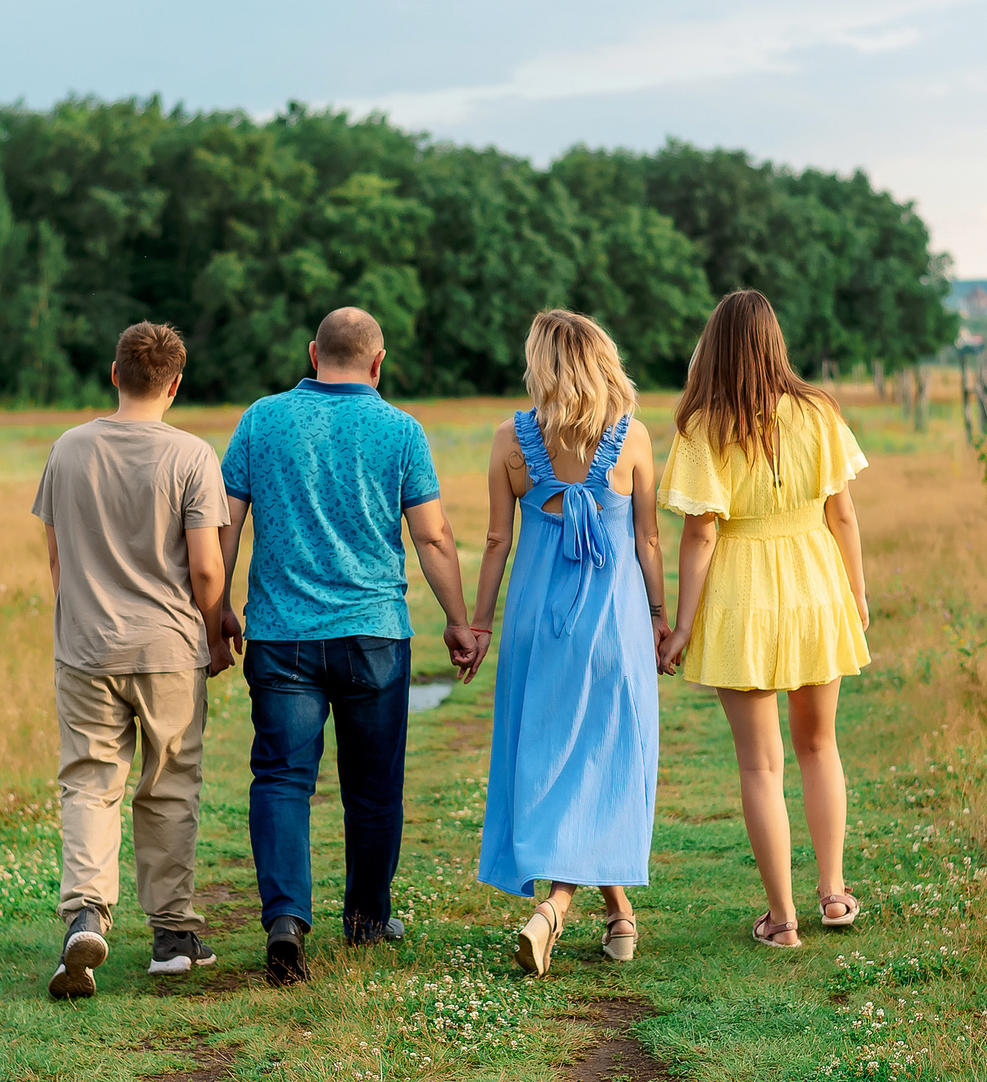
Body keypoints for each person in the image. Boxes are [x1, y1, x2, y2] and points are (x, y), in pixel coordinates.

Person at [218, 307, 482, 985]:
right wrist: (459, 619)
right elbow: (433, 537)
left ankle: (285, 919)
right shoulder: (399, 429)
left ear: (313, 353)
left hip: (281, 635)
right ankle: (367, 918)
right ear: (377, 361)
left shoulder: (262, 418)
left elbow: (227, 521)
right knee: (372, 788)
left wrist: (215, 607)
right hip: (374, 636)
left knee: (282, 778)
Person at [655, 291, 871, 950]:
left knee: (761, 766)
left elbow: (700, 535)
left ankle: (782, 920)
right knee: (819, 745)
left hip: (742, 595)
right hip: (815, 584)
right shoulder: (820, 411)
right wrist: (857, 596)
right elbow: (843, 515)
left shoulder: (703, 425)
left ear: (713, 346)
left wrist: (683, 623)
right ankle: (832, 893)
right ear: (776, 342)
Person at [34, 322, 234, 1000]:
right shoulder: (192, 456)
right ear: (175, 385)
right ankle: (174, 936)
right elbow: (206, 567)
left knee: (90, 781)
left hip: (86, 648)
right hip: (169, 649)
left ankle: (86, 914)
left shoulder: (68, 449)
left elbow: (57, 559)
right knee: (168, 782)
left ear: (114, 373)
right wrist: (216, 630)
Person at [467, 311, 665, 975]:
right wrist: (662, 614)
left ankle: (617, 912)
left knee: (552, 757)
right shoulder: (632, 438)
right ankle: (559, 907)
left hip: (534, 622)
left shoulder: (508, 440)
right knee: (608, 759)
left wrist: (481, 622)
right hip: (614, 621)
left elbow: (498, 541)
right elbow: (648, 540)